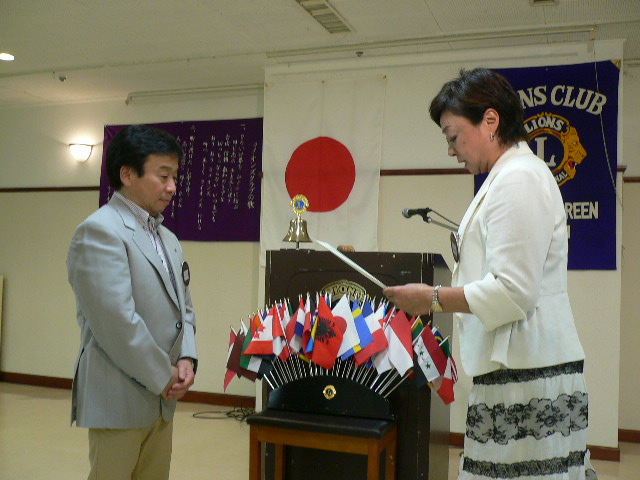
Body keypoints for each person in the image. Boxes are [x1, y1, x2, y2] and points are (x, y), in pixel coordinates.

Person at [384, 68, 597, 479]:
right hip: (517, 369)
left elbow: (513, 292)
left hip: (528, 374)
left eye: (453, 136)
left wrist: (431, 298)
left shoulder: (519, 179)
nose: (451, 150)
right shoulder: (506, 176)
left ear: (490, 120)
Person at [67, 124, 198, 480]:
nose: (172, 187)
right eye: (163, 176)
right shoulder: (99, 231)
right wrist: (164, 376)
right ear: (127, 174)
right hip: (119, 395)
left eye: (175, 177)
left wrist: (187, 358)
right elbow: (116, 323)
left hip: (163, 396)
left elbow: (184, 307)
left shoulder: (167, 237)